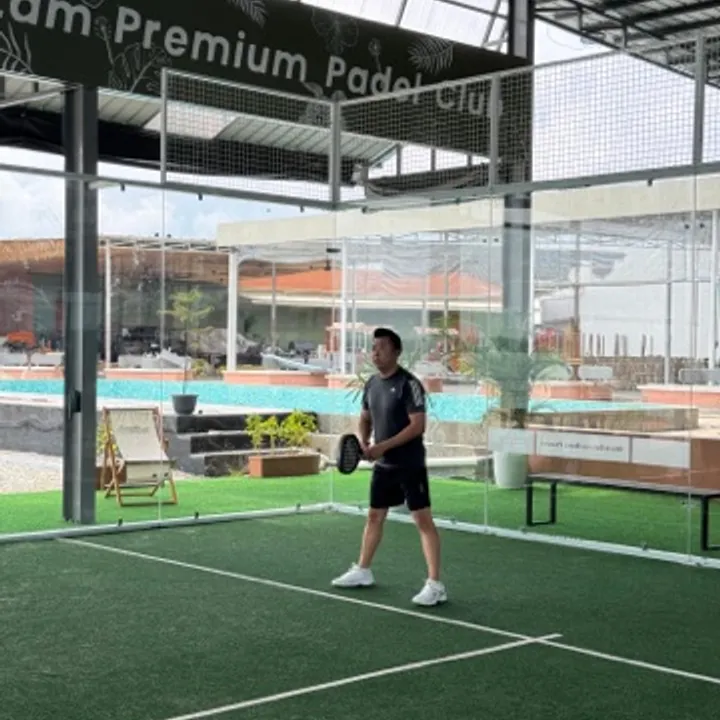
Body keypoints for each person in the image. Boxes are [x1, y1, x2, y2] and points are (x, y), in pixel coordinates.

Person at [332, 327, 447, 606]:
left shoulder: (409, 384)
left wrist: (383, 446)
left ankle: (435, 585)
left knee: (422, 520)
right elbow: (365, 417)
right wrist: (364, 441)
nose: (376, 352)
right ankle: (363, 570)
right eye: (374, 347)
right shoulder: (372, 384)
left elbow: (417, 426)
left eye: (382, 347)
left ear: (396, 352)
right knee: (374, 516)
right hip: (384, 466)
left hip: (409, 464)